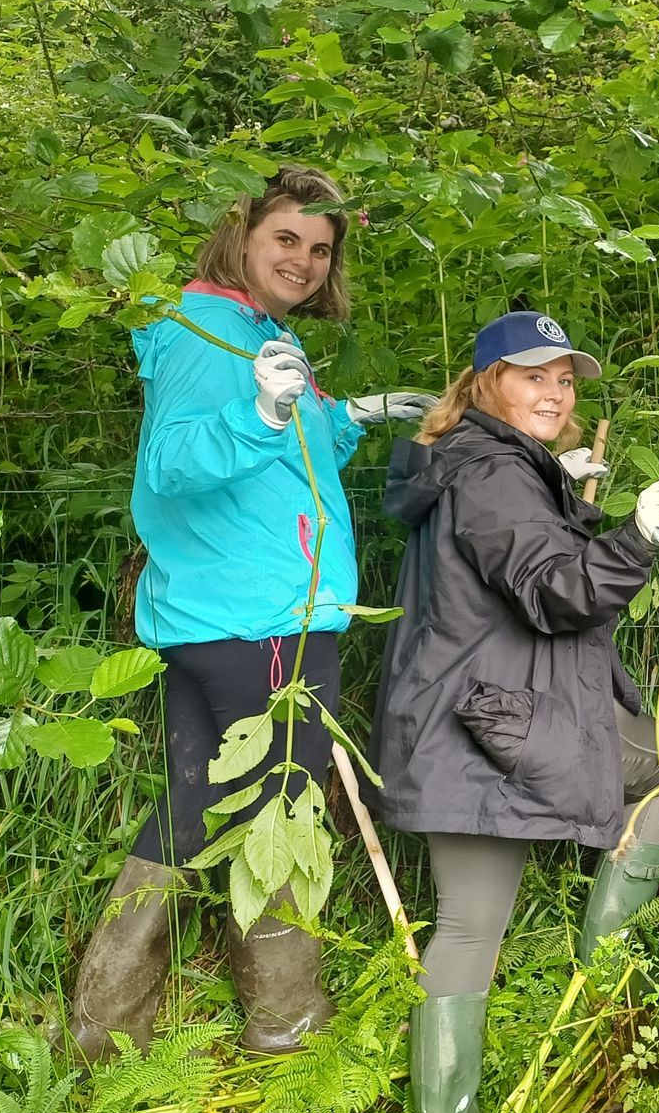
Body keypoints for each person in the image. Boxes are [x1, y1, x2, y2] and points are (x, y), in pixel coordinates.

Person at [68, 166, 436, 1064]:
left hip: (222, 613)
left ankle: (102, 1026)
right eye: (287, 239)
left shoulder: (255, 332)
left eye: (320, 249)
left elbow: (281, 460)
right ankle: (286, 1020)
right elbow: (176, 467)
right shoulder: (208, 332)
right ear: (243, 233)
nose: (304, 260)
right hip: (260, 617)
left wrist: (341, 414)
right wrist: (265, 412)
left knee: (192, 809)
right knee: (287, 811)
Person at [371, 309, 659, 1113]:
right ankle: (605, 998)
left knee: (658, 767)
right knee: (475, 924)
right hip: (485, 729)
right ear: (488, 383)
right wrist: (638, 535)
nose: (555, 393)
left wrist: (555, 481)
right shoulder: (489, 473)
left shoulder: (483, 464)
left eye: (564, 380)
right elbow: (555, 591)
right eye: (533, 377)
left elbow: (506, 550)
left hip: (471, 720)